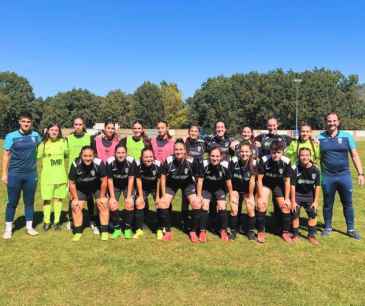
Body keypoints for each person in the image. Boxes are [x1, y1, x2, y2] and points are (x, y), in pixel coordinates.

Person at [319, 112, 364, 239]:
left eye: (334, 121)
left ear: (338, 122)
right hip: (327, 177)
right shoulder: (320, 137)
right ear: (325, 122)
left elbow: (354, 155)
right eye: (329, 121)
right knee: (328, 203)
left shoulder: (347, 136)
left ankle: (351, 229)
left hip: (344, 176)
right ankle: (327, 227)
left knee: (348, 203)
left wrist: (360, 173)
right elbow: (314, 156)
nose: (332, 123)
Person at [2, 112, 42, 240]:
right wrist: (4, 173)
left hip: (31, 174)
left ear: (31, 123)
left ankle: (29, 227)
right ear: (19, 122)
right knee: (12, 202)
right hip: (14, 174)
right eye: (24, 121)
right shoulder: (11, 136)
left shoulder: (36, 135)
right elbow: (6, 155)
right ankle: (8, 229)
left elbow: (43, 146)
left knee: (29, 202)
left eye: (28, 122)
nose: (26, 124)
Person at [157, 140, 201, 241]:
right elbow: (162, 177)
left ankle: (193, 231)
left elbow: (199, 178)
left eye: (181, 149)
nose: (178, 151)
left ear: (185, 150)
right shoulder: (168, 160)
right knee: (163, 203)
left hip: (187, 184)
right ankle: (168, 230)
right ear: (173, 150)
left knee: (196, 204)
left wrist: (198, 195)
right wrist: (163, 194)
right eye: (176, 149)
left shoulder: (191, 160)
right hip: (172, 184)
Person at [68, 146, 109, 241]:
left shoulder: (99, 163)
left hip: (96, 187)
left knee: (103, 203)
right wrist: (75, 198)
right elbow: (72, 183)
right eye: (85, 156)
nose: (87, 158)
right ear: (81, 156)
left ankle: (104, 231)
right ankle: (78, 232)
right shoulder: (75, 164)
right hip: (81, 188)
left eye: (90, 156)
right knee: (76, 205)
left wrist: (102, 196)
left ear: (94, 155)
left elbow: (104, 180)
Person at [256, 140, 292, 243]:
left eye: (278, 152)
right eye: (273, 152)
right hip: (266, 184)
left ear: (282, 152)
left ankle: (285, 233)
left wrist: (287, 198)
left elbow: (287, 182)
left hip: (278, 185)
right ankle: (261, 231)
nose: (275, 155)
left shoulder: (286, 161)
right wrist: (260, 196)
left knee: (285, 207)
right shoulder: (264, 160)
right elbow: (259, 180)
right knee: (262, 204)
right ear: (270, 151)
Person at [66, 117, 98, 233]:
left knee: (89, 197)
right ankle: (71, 220)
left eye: (80, 124)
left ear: (83, 125)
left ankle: (92, 220)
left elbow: (95, 154)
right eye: (76, 124)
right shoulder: (68, 139)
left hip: (88, 173)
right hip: (74, 173)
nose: (78, 126)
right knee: (73, 197)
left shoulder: (89, 138)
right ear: (73, 125)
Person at [197, 146, 234, 241]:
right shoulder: (204, 164)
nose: (215, 158)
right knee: (204, 205)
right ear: (209, 156)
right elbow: (200, 181)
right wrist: (199, 195)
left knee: (222, 206)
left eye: (217, 156)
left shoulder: (225, 166)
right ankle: (202, 230)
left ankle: (223, 230)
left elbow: (228, 182)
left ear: (221, 157)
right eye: (212, 156)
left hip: (219, 189)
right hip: (207, 189)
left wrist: (231, 194)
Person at [37, 123, 68, 231]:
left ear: (59, 132)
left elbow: (67, 154)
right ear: (48, 131)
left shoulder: (63, 142)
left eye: (56, 130)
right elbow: (36, 157)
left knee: (58, 199)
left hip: (60, 176)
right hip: (47, 177)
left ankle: (57, 221)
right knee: (47, 200)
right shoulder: (43, 144)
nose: (54, 132)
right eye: (52, 130)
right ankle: (46, 221)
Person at [106, 144, 137, 240]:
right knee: (112, 204)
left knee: (129, 203)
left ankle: (127, 228)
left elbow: (131, 178)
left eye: (123, 153)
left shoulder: (131, 161)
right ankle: (117, 229)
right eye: (118, 153)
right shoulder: (110, 162)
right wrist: (112, 197)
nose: (121, 155)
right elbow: (110, 180)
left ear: (126, 154)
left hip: (127, 185)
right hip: (115, 185)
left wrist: (128, 196)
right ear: (115, 153)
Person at [291, 148, 321, 245]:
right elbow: (292, 186)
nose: (304, 157)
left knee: (313, 213)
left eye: (307, 155)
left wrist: (316, 201)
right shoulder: (295, 169)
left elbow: (317, 186)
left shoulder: (315, 169)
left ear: (310, 156)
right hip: (297, 195)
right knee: (295, 213)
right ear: (299, 157)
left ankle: (311, 236)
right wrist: (293, 201)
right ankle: (295, 235)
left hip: (309, 195)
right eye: (302, 155)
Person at [229, 143, 256, 240]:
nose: (244, 154)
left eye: (246, 151)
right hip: (236, 188)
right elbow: (229, 179)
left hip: (247, 189)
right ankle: (233, 230)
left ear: (251, 152)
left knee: (250, 206)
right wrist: (231, 192)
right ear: (238, 152)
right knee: (233, 205)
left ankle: (251, 231)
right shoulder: (233, 161)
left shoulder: (254, 163)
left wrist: (251, 195)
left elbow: (252, 181)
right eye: (242, 152)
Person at [135, 147, 161, 237]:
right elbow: (138, 180)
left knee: (160, 203)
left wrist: (157, 197)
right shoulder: (137, 165)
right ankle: (139, 228)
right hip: (143, 187)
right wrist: (141, 196)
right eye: (146, 157)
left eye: (150, 156)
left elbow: (159, 181)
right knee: (139, 202)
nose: (148, 159)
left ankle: (160, 228)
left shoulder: (158, 165)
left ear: (153, 157)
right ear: (141, 157)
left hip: (155, 187)